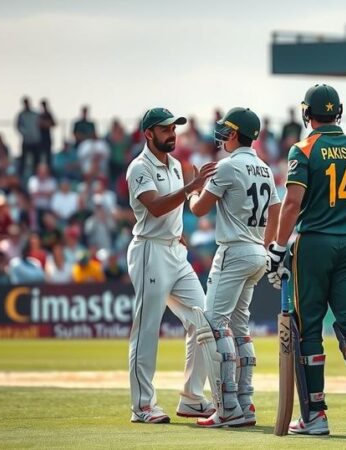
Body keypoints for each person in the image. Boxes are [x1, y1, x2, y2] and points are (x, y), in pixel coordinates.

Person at [266, 84, 346, 436]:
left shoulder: (303, 149)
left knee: (309, 328)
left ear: (307, 114)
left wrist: (276, 247)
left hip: (313, 244)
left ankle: (316, 415)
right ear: (340, 112)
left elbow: (292, 203)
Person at [187, 107, 281, 427]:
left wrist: (193, 190)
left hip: (234, 251)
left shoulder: (227, 167)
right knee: (240, 328)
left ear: (236, 134)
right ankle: (245, 401)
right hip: (257, 251)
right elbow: (277, 210)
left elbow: (199, 209)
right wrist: (265, 247)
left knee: (213, 326)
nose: (223, 136)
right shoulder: (265, 168)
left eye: (227, 131)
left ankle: (227, 407)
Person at [124, 107, 218, 424]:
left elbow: (174, 209)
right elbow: (154, 207)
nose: (172, 134)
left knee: (202, 319)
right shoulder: (139, 168)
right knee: (147, 327)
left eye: (173, 128)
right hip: (149, 251)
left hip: (174, 252)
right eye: (165, 129)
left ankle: (192, 397)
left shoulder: (176, 164)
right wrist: (191, 189)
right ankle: (143, 406)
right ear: (148, 133)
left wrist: (177, 234)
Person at [16, 97, 42, 178]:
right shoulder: (21, 115)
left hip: (36, 141)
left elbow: (40, 125)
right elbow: (18, 126)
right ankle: (21, 176)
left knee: (36, 160)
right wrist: (25, 133)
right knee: (23, 160)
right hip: (26, 141)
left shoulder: (36, 114)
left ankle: (37, 175)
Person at [39, 99, 56, 168]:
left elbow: (53, 124)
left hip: (47, 137)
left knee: (48, 155)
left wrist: (45, 124)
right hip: (40, 138)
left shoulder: (48, 114)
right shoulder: (39, 114)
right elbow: (38, 124)